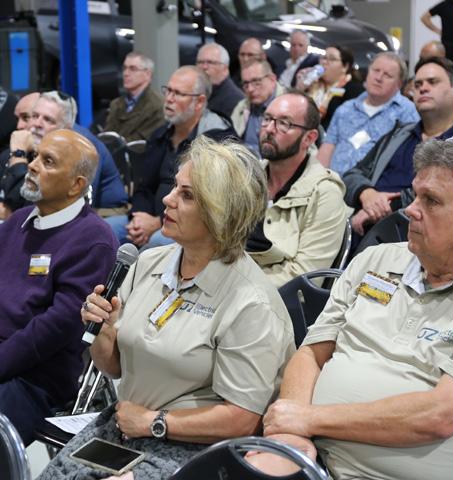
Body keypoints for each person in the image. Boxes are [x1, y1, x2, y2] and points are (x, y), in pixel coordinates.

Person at [252, 135, 453, 480]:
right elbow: (311, 354)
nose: (410, 209)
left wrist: (308, 419)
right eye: (416, 194)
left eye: (431, 201)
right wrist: (290, 435)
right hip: (312, 458)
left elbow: (440, 415)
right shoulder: (376, 260)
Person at [38, 136, 295, 480]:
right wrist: (104, 330)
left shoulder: (252, 304)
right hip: (128, 425)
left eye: (187, 196)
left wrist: (154, 423)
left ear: (221, 214)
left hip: (198, 446)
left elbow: (242, 418)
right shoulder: (149, 263)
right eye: (175, 187)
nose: (167, 199)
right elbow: (113, 366)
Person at [0, 129, 118, 445]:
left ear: (76, 185)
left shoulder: (93, 240)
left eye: (48, 161)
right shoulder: (18, 221)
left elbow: (55, 329)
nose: (32, 165)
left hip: (35, 378)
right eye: (35, 155)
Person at [343, 57, 453, 239]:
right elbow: (352, 175)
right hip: (365, 229)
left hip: (425, 238)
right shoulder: (398, 134)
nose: (423, 88)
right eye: (417, 85)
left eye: (432, 82)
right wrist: (366, 193)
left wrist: (386, 207)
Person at [108, 65, 235, 248]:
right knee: (104, 230)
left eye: (178, 94)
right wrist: (139, 218)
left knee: (157, 242)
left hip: (192, 224)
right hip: (151, 218)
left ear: (199, 102)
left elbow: (206, 202)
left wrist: (158, 222)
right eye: (168, 91)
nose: (169, 99)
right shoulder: (160, 135)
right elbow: (144, 187)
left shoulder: (217, 141)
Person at [246, 91, 347, 287]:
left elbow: (305, 280)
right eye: (267, 119)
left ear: (309, 138)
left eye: (284, 123)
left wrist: (237, 286)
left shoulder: (325, 194)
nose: (270, 129)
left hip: (273, 299)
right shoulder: (247, 177)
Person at [4, 91, 128, 217]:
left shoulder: (81, 148)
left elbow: (73, 208)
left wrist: (18, 155)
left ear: (66, 127)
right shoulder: (38, 143)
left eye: (48, 119)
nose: (37, 124)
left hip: (104, 213)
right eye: (35, 116)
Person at [317, 52, 419, 175]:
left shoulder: (408, 113)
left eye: (387, 75)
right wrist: (318, 179)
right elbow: (328, 148)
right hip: (334, 182)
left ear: (399, 84)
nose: (378, 78)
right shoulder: (346, 109)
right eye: (376, 70)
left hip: (375, 185)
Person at [297, 45, 364, 130]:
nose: (325, 62)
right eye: (324, 58)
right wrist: (300, 88)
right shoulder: (312, 83)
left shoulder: (354, 90)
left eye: (332, 59)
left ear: (345, 67)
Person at [103, 52, 165, 142]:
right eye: (124, 68)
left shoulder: (158, 106)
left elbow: (142, 144)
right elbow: (106, 137)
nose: (125, 73)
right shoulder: (115, 104)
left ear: (147, 74)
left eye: (132, 69)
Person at [0, 92, 41, 219]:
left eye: (25, 117)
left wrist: (18, 154)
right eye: (17, 118)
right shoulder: (7, 154)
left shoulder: (56, 160)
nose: (19, 126)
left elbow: (29, 212)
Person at [232, 60, 285, 157]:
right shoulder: (241, 107)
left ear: (272, 79)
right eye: (246, 84)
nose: (250, 89)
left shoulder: (290, 107)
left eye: (256, 82)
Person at [195, 43, 244, 119]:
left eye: (210, 62)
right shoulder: (196, 93)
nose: (204, 67)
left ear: (225, 69)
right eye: (200, 62)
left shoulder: (235, 101)